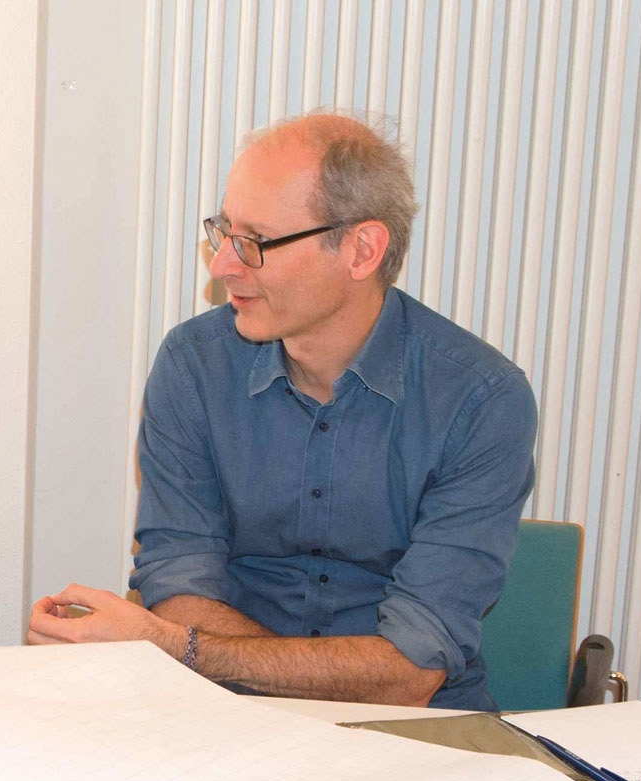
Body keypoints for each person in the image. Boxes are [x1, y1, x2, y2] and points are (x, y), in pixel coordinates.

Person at [30, 112, 536, 714]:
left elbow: (409, 674)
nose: (222, 266)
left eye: (256, 242)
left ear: (360, 249)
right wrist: (305, 671)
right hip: (226, 713)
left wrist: (179, 647)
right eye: (224, 232)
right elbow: (178, 584)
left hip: (412, 734)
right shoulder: (195, 366)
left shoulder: (481, 400)